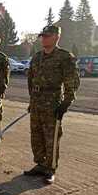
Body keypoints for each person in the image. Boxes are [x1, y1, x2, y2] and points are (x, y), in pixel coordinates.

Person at [24, 25, 80, 184]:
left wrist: (66, 104)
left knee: (51, 137)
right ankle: (40, 164)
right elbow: (31, 79)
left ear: (57, 37)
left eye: (47, 36)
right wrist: (31, 100)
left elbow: (72, 82)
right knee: (36, 136)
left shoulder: (64, 57)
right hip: (36, 102)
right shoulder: (37, 57)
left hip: (52, 102)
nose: (44, 39)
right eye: (43, 36)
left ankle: (50, 168)